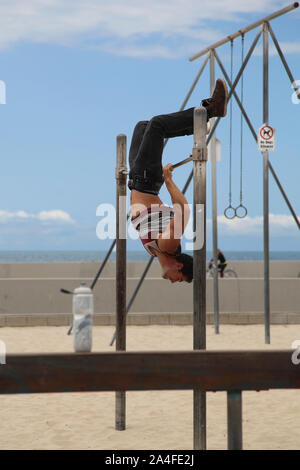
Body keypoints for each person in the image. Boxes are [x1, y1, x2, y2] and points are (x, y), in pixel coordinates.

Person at [128, 79, 228, 284]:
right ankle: (209, 112)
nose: (174, 281)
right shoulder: (168, 246)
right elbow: (184, 210)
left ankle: (200, 124)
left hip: (137, 181)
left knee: (143, 127)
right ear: (179, 266)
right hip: (145, 180)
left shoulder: (156, 253)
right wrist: (168, 180)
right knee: (157, 125)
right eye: (179, 278)